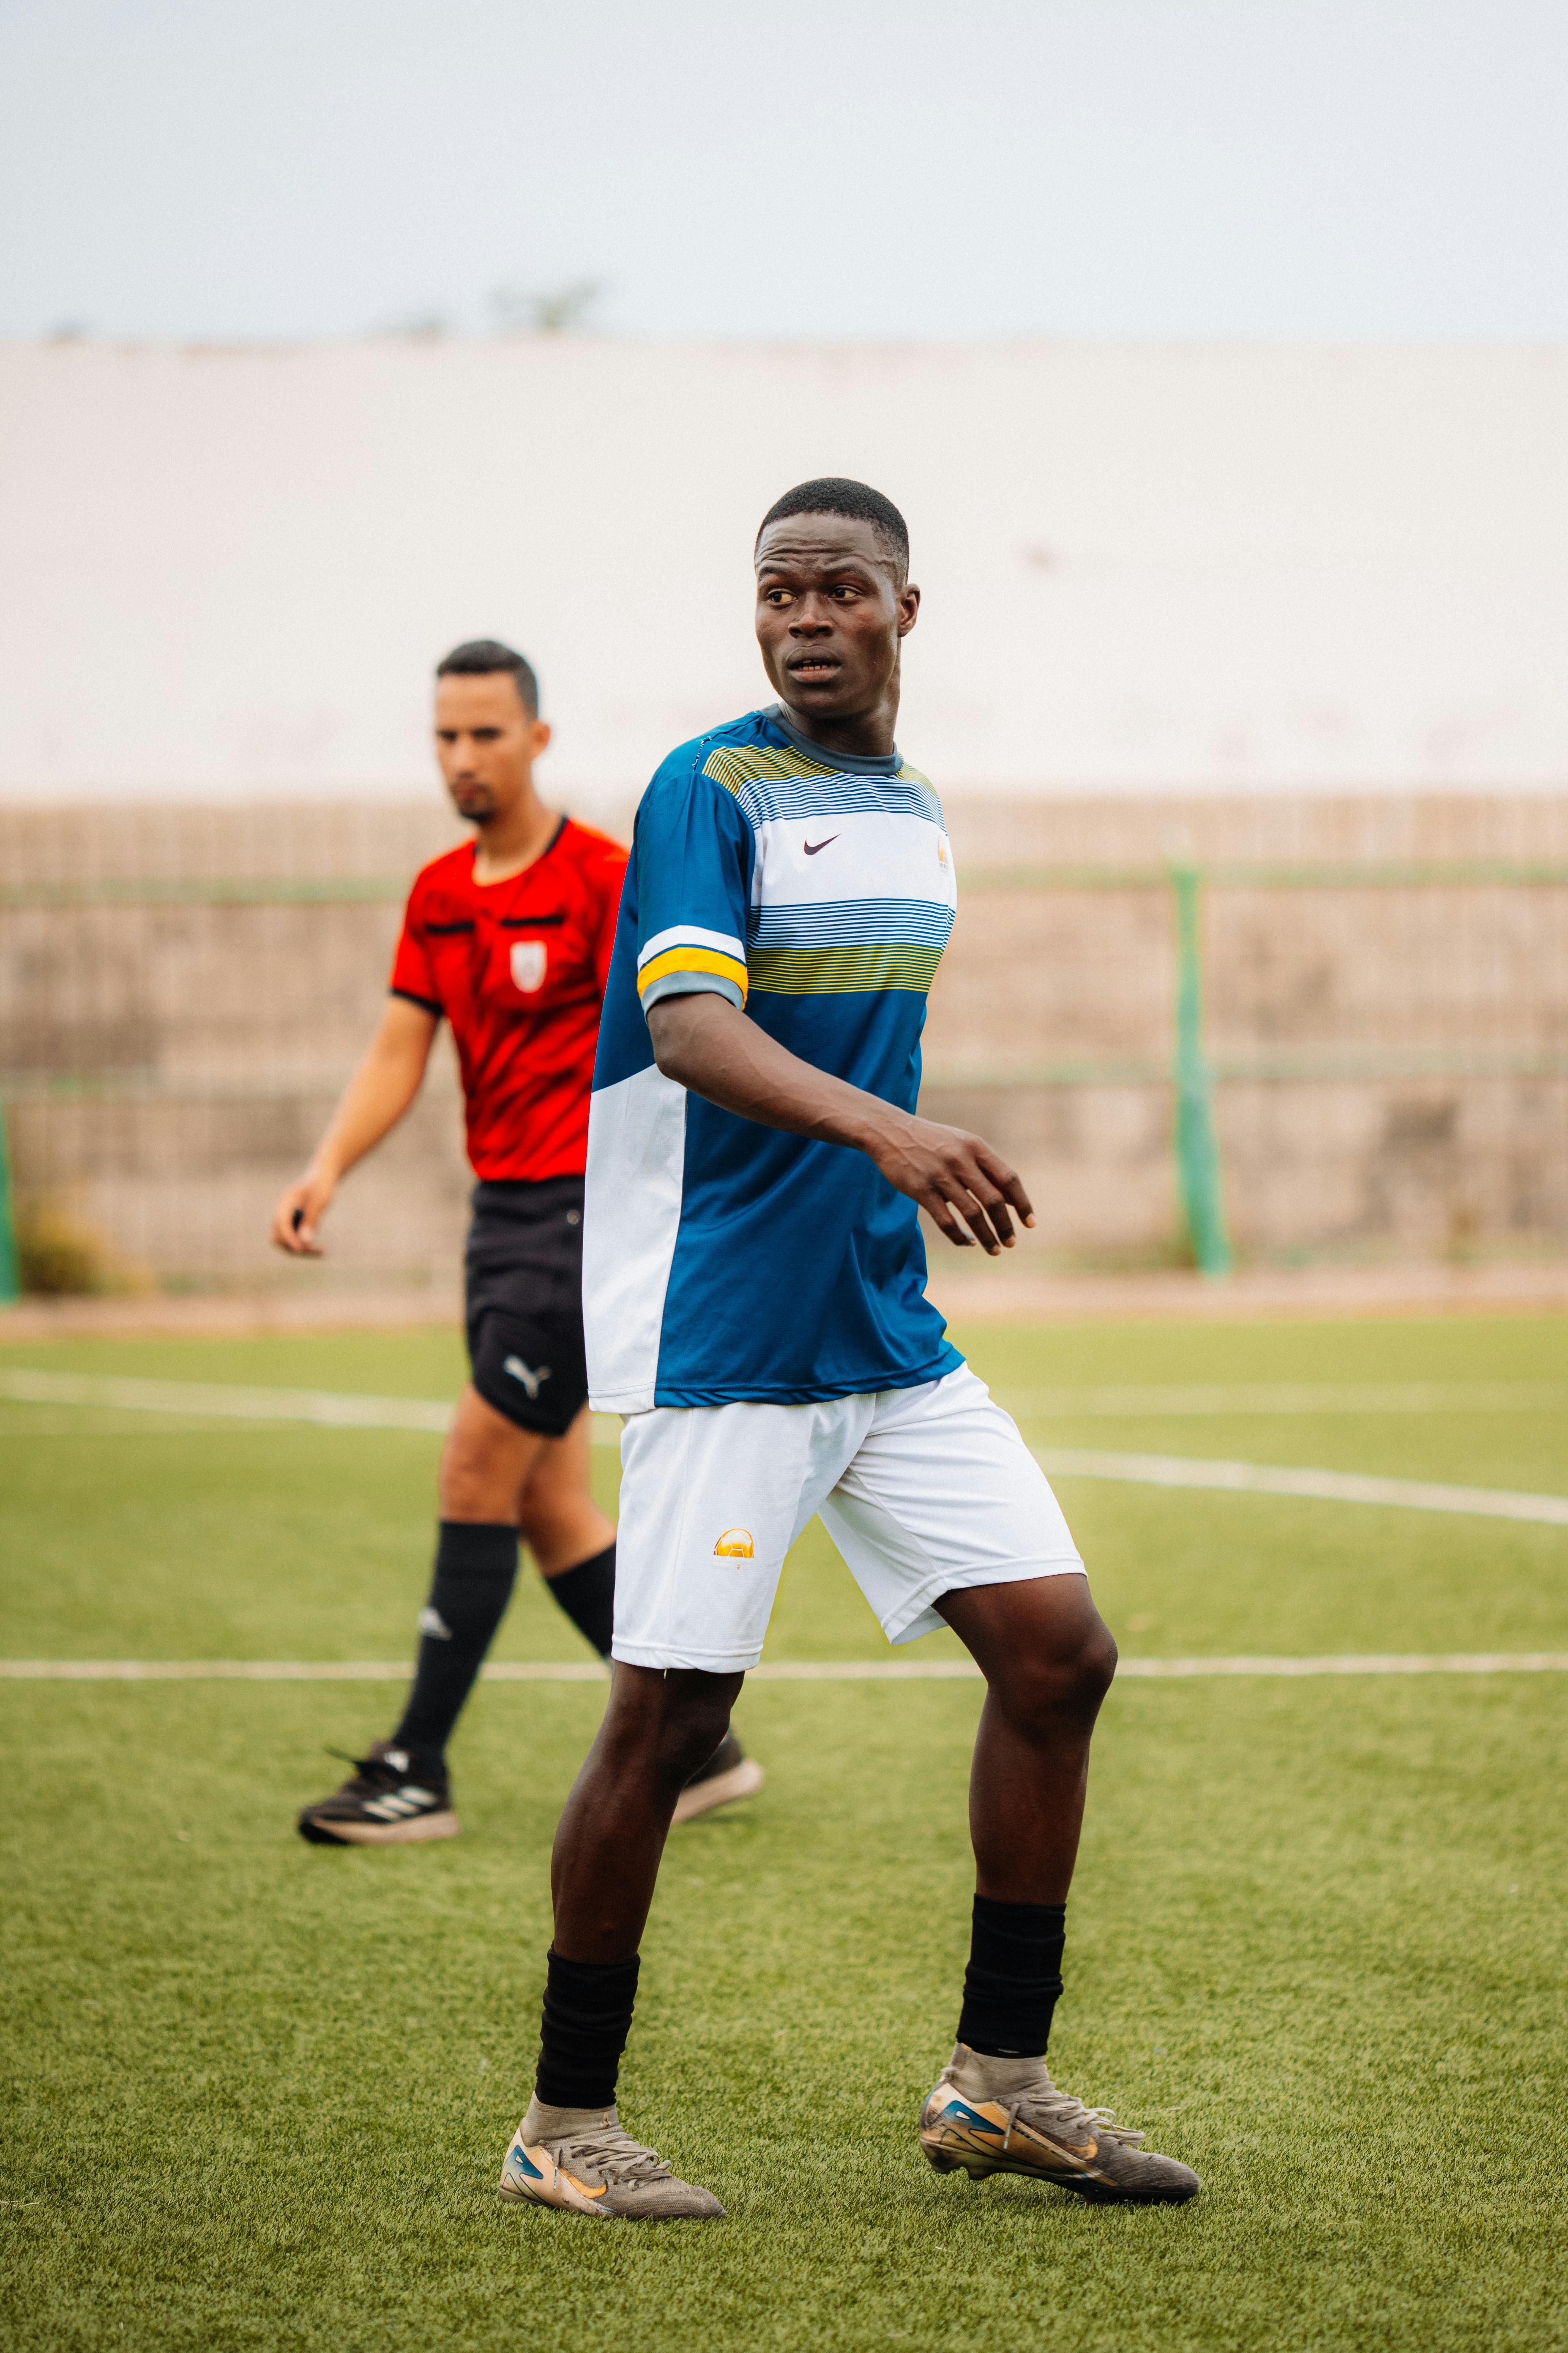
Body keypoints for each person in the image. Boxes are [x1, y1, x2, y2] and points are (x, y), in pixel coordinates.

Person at [496, 484, 1200, 2218]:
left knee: (1058, 1655)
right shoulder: (706, 786)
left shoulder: (910, 804)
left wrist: (890, 1166)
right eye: (776, 591)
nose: (804, 616)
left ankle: (1000, 2086)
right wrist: (893, 1135)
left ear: (906, 607)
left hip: (881, 1327)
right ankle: (559, 2126)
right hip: (726, 1326)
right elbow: (689, 1024)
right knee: (669, 1719)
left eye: (839, 590)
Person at [271, 639, 763, 1846]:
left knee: (475, 1468)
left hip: (585, 1221)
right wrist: (326, 1169)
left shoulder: (606, 875)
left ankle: (415, 1769)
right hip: (501, 1219)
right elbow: (401, 1050)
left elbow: (687, 1032)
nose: (463, 758)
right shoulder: (440, 894)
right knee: (548, 1504)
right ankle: (701, 1748)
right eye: (445, 736)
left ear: (537, 740)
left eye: (486, 734)